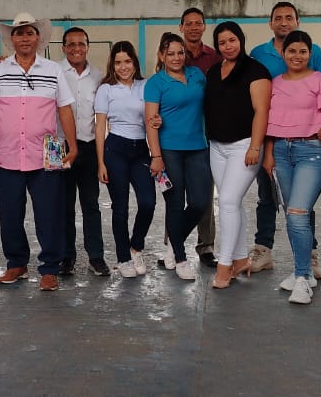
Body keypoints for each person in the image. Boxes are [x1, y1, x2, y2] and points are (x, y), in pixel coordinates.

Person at [0, 13, 78, 292]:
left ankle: (50, 268)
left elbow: (64, 109)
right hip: (7, 154)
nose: (24, 38)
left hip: (49, 154)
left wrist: (73, 145)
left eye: (29, 33)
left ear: (38, 38)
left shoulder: (53, 70)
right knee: (10, 215)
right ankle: (16, 263)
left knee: (49, 215)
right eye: (19, 33)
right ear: (12, 39)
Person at [248, 1, 321, 277]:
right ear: (270, 23)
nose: (283, 22)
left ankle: (310, 255)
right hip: (271, 136)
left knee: (301, 202)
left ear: (297, 21)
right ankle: (263, 250)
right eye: (278, 18)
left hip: (307, 139)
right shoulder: (258, 54)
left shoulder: (313, 52)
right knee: (267, 196)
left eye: (289, 17)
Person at [261, 30, 321, 305]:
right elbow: (270, 123)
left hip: (312, 152)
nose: (297, 56)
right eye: (292, 51)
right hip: (281, 152)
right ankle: (303, 273)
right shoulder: (275, 83)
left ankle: (302, 277)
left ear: (311, 54)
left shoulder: (320, 81)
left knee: (297, 213)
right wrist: (269, 155)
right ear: (283, 53)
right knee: (292, 214)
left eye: (303, 51)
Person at [202, 22, 270, 290]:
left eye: (232, 40)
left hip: (244, 146)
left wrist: (255, 146)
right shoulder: (213, 72)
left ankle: (224, 264)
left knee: (228, 201)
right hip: (217, 146)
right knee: (233, 203)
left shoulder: (256, 71)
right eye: (222, 42)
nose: (228, 46)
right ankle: (241, 258)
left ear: (241, 40)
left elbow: (262, 111)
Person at [145, 33, 210, 281]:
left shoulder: (197, 75)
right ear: (162, 56)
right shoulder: (156, 83)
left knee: (199, 203)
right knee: (174, 203)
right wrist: (156, 156)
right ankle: (181, 259)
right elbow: (150, 122)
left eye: (180, 52)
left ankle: (174, 243)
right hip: (169, 150)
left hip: (198, 147)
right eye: (170, 53)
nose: (176, 57)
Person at [94, 41, 155, 278]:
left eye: (127, 61)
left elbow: (152, 117)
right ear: (112, 65)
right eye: (118, 62)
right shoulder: (106, 89)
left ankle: (135, 247)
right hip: (115, 149)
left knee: (148, 203)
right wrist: (101, 162)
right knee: (120, 207)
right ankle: (123, 258)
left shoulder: (145, 86)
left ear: (134, 63)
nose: (123, 67)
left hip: (140, 150)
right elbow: (100, 127)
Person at [59, 27, 107, 277]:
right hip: (60, 148)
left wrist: (101, 158)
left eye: (81, 44)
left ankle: (96, 257)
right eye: (71, 44)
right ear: (63, 48)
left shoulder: (98, 77)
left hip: (88, 148)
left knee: (91, 205)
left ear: (88, 46)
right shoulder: (54, 72)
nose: (76, 48)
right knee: (63, 206)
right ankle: (66, 257)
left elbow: (102, 118)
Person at [179, 7, 219, 267]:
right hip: (175, 135)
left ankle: (206, 245)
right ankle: (173, 245)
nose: (194, 27)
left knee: (203, 195)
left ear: (204, 26)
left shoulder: (214, 57)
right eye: (189, 23)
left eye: (198, 23)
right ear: (181, 27)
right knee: (175, 195)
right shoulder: (173, 54)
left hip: (206, 136)